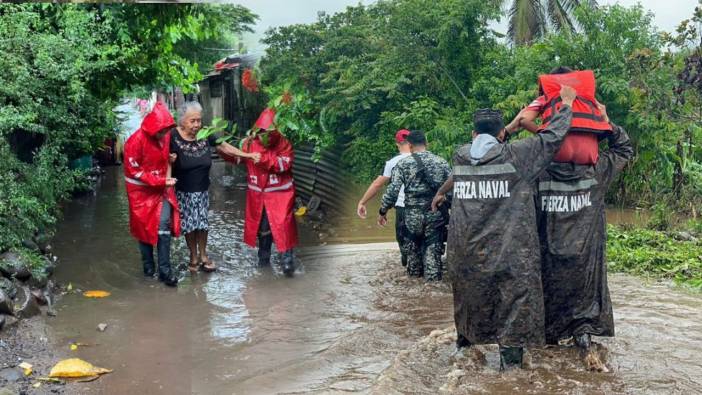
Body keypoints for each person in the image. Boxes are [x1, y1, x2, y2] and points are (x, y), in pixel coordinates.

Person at [431, 86, 576, 370]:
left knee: (469, 302)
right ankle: (510, 373)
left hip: (466, 254)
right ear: (501, 136)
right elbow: (552, 137)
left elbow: (482, 149)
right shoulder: (517, 157)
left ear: (473, 135)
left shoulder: (461, 156)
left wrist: (439, 193)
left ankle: (464, 352)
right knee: (513, 308)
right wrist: (567, 105)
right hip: (509, 254)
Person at [536, 103, 633, 356]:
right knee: (583, 325)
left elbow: (514, 154)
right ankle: (585, 349)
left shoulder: (539, 174)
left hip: (550, 263)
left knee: (548, 332)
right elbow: (623, 149)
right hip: (585, 265)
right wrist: (606, 120)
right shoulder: (596, 173)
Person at [170, 101, 261, 273]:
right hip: (183, 190)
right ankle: (193, 256)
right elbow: (161, 157)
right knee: (189, 225)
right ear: (182, 121)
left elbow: (224, 146)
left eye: (199, 120)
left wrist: (246, 155)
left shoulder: (205, 133)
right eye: (193, 121)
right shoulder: (173, 136)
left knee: (202, 223)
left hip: (203, 189)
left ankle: (203, 255)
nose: (197, 125)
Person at [378, 130, 450, 281]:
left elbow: (392, 192)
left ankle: (414, 284)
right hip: (435, 214)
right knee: (433, 256)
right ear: (426, 143)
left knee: (413, 258)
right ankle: (433, 289)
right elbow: (451, 192)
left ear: (409, 146)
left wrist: (383, 210)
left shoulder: (402, 164)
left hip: (412, 217)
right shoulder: (441, 162)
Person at [123, 102, 180, 287]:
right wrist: (160, 181)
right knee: (143, 230)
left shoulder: (164, 136)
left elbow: (159, 159)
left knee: (163, 226)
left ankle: (165, 271)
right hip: (140, 193)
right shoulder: (134, 141)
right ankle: (148, 269)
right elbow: (133, 171)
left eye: (166, 131)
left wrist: (169, 159)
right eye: (162, 131)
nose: (164, 135)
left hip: (160, 189)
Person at [239, 108, 298, 277]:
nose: (266, 135)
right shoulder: (249, 143)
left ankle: (287, 261)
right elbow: (237, 158)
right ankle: (263, 260)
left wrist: (263, 158)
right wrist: (221, 147)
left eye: (269, 131)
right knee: (263, 226)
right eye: (263, 131)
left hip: (281, 196)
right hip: (259, 196)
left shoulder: (284, 143)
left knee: (283, 225)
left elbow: (284, 165)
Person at [356, 129, 411, 266]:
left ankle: (408, 264)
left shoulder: (393, 163)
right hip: (427, 207)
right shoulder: (426, 159)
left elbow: (377, 185)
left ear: (397, 144)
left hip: (403, 208)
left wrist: (362, 202)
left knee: (404, 244)